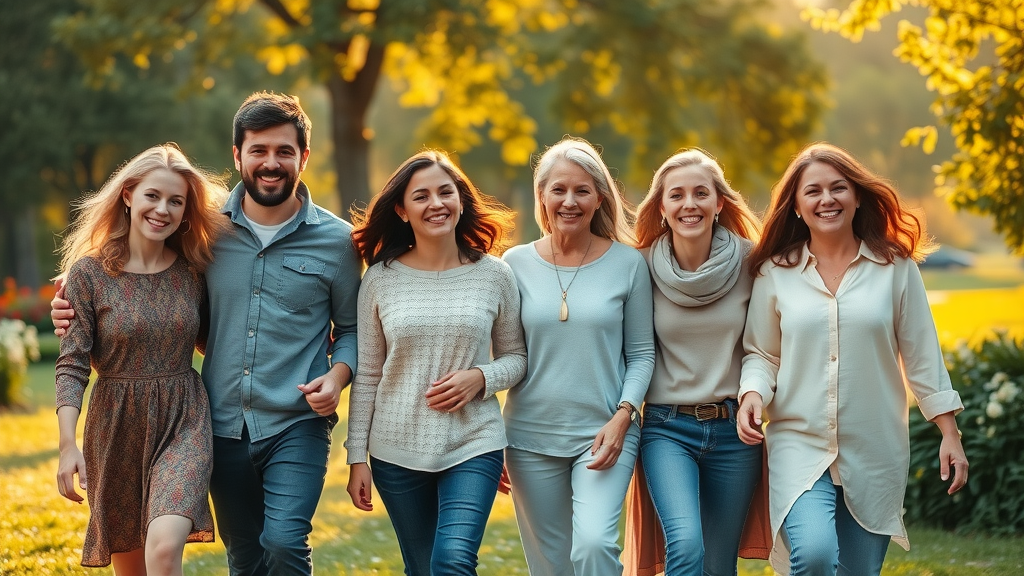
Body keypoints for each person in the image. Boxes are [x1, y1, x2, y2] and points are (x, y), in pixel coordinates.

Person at [52, 92, 362, 576]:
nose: (271, 162)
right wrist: (72, 302)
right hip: (212, 423)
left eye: (284, 151)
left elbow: (352, 328)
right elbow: (159, 298)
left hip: (279, 418)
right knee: (243, 558)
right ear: (237, 155)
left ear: (304, 157)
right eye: (258, 150)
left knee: (282, 543)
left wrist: (339, 375)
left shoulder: (338, 242)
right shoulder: (206, 236)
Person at [736, 142, 969, 576]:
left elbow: (922, 357)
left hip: (875, 447)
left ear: (857, 195)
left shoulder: (895, 267)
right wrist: (752, 392)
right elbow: (762, 353)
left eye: (838, 187)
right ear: (797, 207)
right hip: (798, 443)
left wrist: (949, 433)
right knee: (816, 556)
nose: (827, 199)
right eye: (813, 191)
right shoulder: (775, 272)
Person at [344, 150, 527, 575]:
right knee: (423, 568)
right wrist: (357, 457)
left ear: (461, 202)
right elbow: (368, 375)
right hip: (396, 448)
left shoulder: (495, 274)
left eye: (446, 192)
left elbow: (517, 357)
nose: (436, 204)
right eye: (421, 196)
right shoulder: (380, 279)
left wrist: (481, 378)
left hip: (474, 442)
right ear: (402, 210)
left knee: (452, 561)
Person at [54, 143, 229, 574]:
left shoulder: (195, 271)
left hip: (183, 418)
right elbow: (72, 363)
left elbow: (215, 341)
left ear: (187, 211)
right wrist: (66, 445)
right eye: (153, 195)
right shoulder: (88, 274)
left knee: (165, 549)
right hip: (114, 425)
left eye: (176, 201)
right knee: (131, 565)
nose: (162, 209)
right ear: (128, 195)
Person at [501, 136, 655, 576]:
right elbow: (504, 354)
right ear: (542, 197)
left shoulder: (628, 264)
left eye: (582, 190)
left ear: (599, 198)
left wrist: (624, 415)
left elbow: (642, 353)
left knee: (593, 547)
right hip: (528, 438)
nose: (570, 201)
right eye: (559, 190)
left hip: (606, 434)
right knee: (550, 566)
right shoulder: (513, 264)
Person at [623, 148, 765, 576]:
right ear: (662, 207)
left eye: (701, 193)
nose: (690, 204)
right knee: (684, 544)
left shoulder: (753, 262)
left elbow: (765, 346)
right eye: (677, 195)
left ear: (719, 202)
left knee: (719, 565)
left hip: (734, 432)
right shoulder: (639, 267)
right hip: (668, 429)